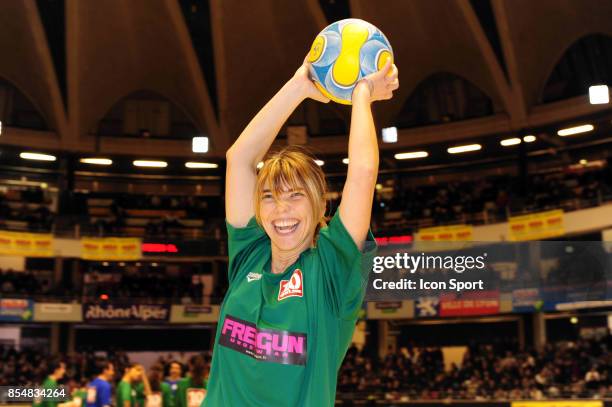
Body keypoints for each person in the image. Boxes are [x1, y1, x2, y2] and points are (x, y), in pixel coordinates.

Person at [202, 54, 398, 407]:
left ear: (321, 205)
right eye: (269, 197)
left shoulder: (331, 269)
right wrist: (299, 87)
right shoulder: (249, 254)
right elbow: (239, 159)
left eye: (295, 196)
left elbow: (363, 173)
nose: (281, 210)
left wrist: (362, 94)